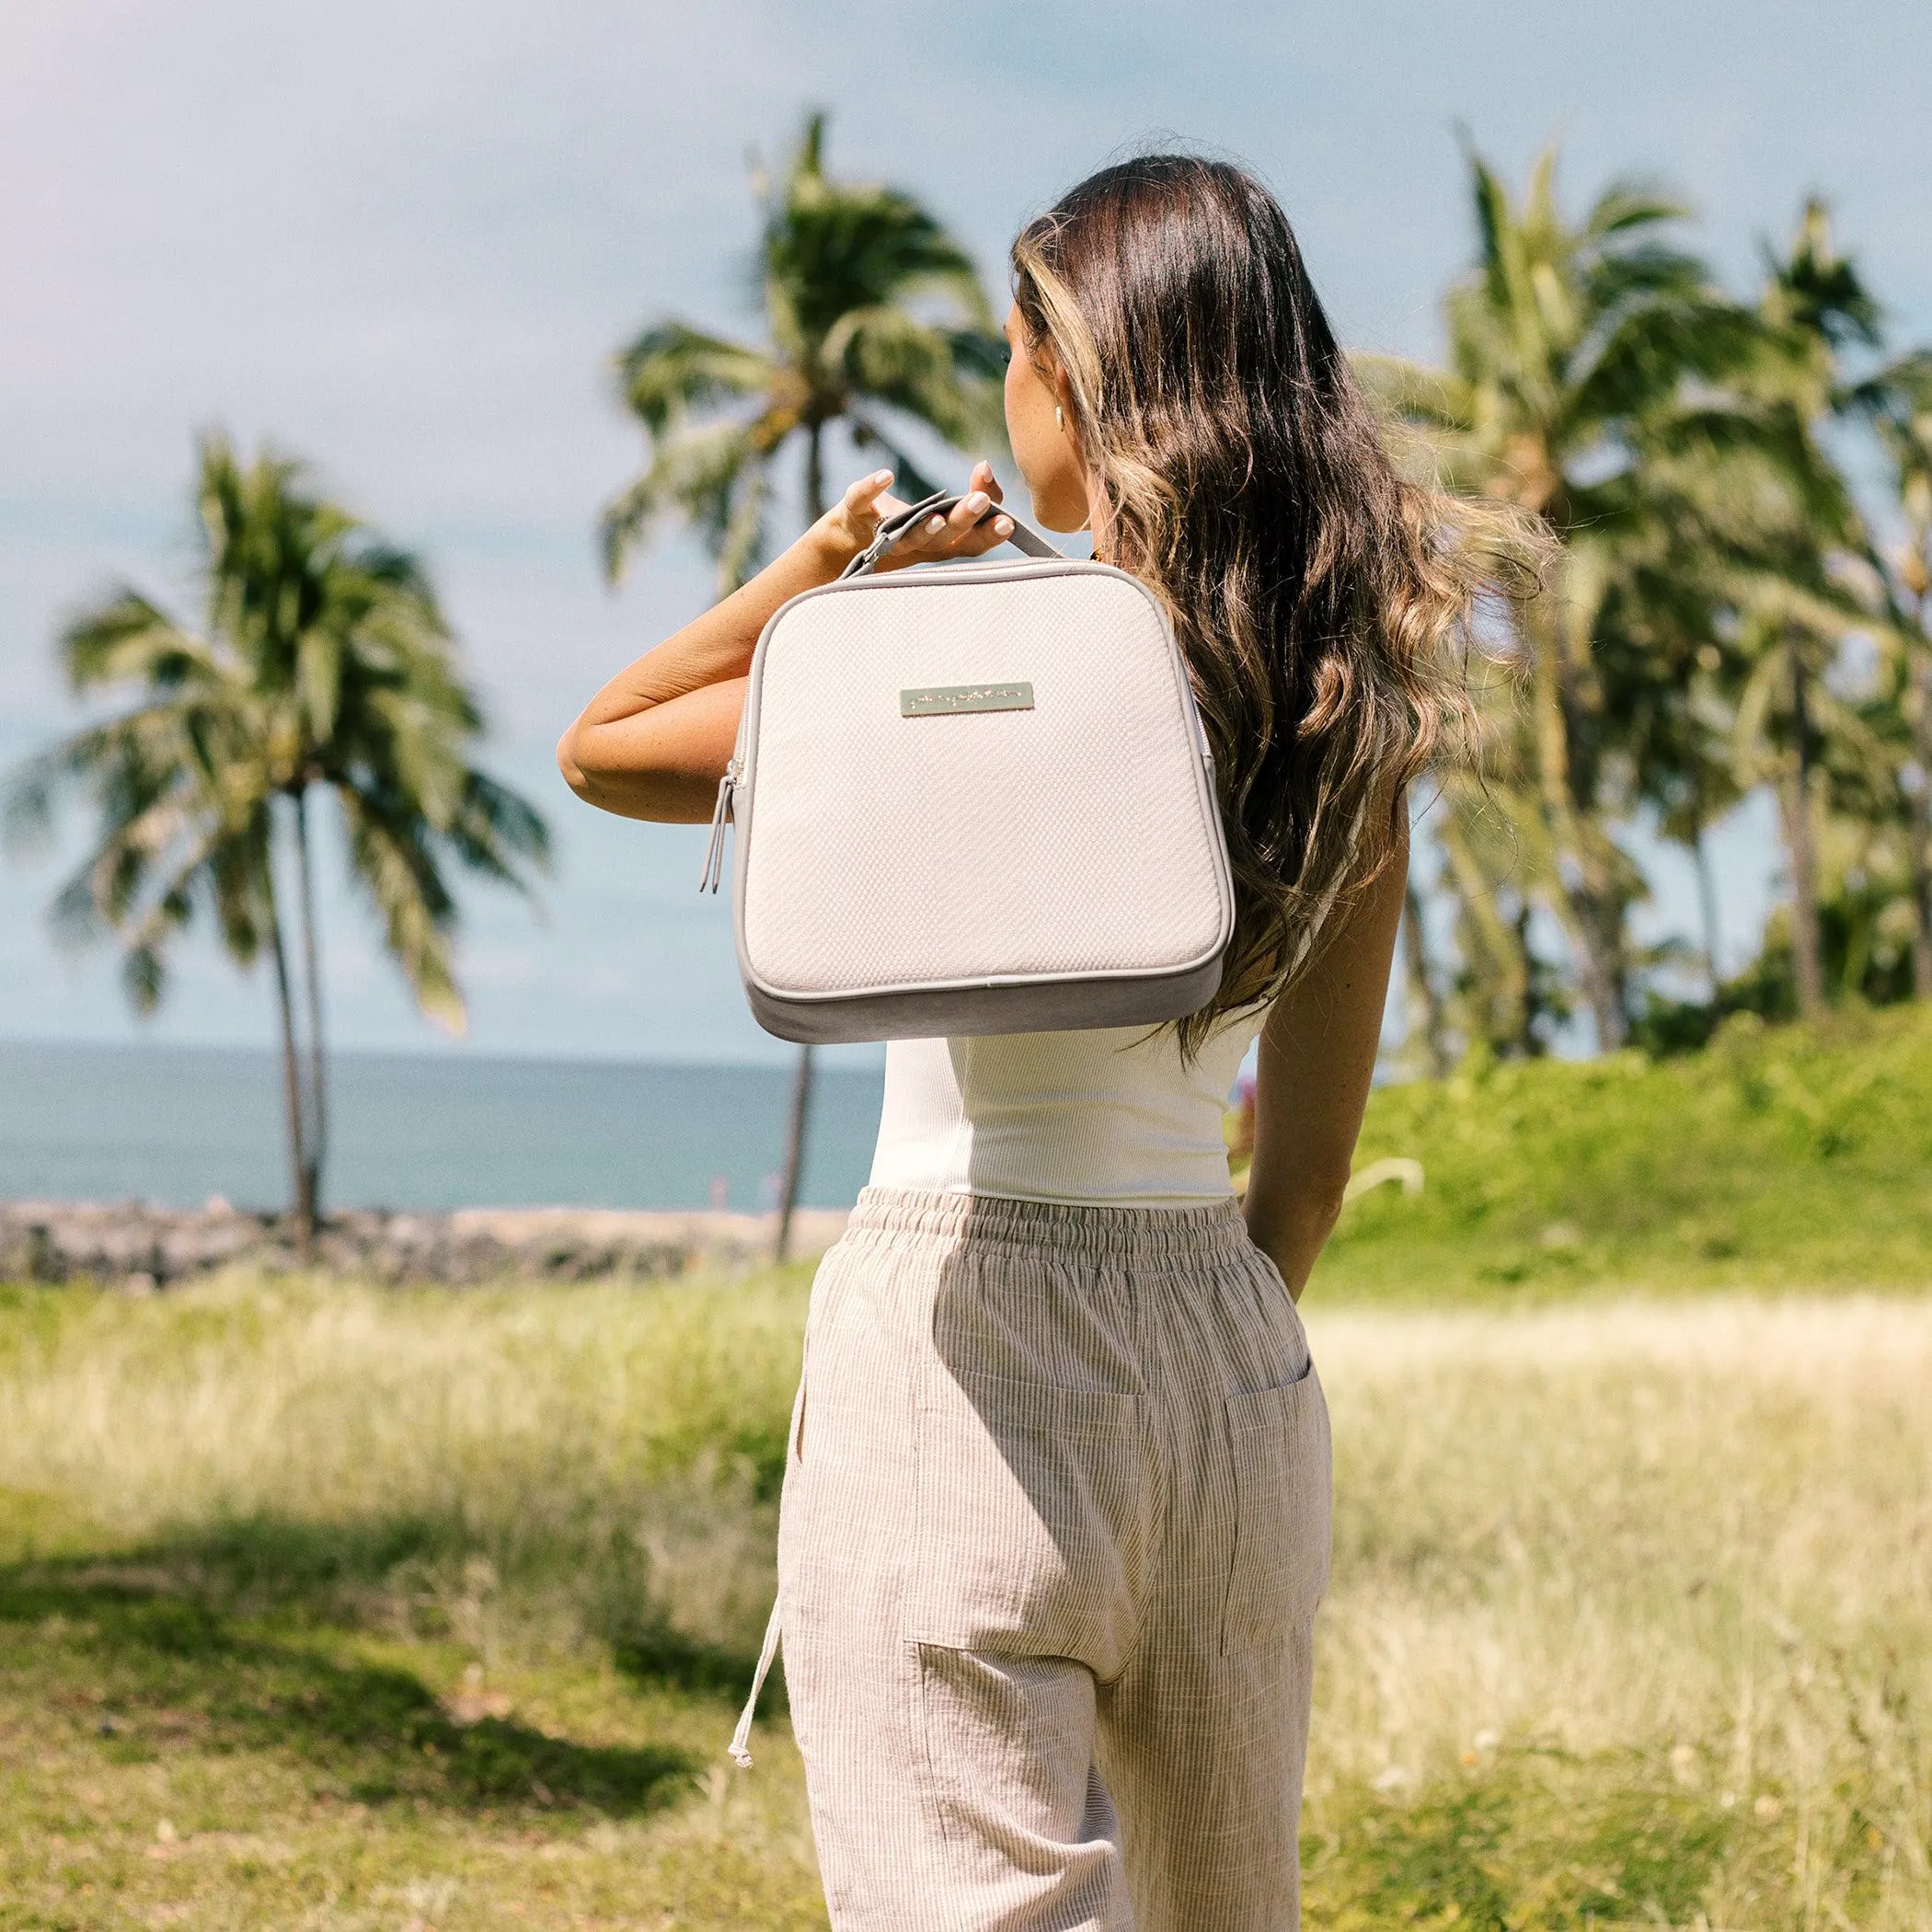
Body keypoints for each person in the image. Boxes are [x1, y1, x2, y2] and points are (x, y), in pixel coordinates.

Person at [560, 153, 1528, 1932]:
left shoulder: (946, 673)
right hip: (1231, 1374)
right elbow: (1303, 1176)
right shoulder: (1341, 708)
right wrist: (1182, 1358)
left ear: (1071, 377)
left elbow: (607, 742)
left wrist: (839, 574)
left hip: (961, 1355)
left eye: (1016, 349)